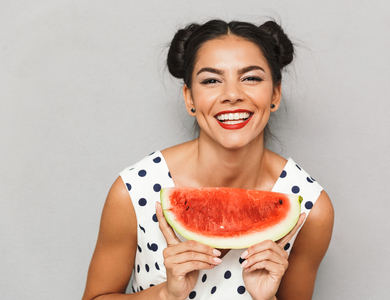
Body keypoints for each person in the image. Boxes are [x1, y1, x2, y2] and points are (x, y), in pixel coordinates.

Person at [82, 19, 334, 300]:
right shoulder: (134, 191)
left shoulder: (310, 209)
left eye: (251, 78)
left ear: (275, 93)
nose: (232, 95)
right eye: (211, 80)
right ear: (189, 98)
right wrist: (166, 294)